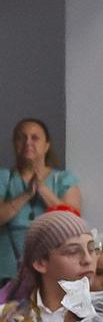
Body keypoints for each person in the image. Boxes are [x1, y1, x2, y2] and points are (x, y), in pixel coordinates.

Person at [0, 209, 95, 322]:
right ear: (41, 263)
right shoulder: (6, 316)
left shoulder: (102, 319)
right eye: (73, 251)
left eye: (92, 249)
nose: (88, 259)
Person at [0, 118, 83, 284]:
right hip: (6, 275)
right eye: (21, 138)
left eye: (35, 138)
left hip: (50, 273)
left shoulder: (63, 179)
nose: (28, 142)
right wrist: (26, 194)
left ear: (47, 145)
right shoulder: (4, 177)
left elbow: (73, 223)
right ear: (14, 144)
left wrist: (43, 190)